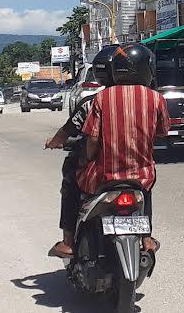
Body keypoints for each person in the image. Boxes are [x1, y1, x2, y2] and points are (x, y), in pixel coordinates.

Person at [75, 44, 169, 255]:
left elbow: (92, 138)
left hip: (104, 176)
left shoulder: (102, 97)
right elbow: (163, 131)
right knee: (146, 190)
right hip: (141, 175)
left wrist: (87, 160)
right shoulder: (156, 98)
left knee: (76, 184)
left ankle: (72, 239)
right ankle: (146, 237)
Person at [45, 45, 117, 259]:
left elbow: (68, 132)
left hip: (98, 169)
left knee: (70, 181)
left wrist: (54, 142)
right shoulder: (148, 100)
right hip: (134, 167)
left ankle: (68, 241)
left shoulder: (93, 103)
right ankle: (147, 236)